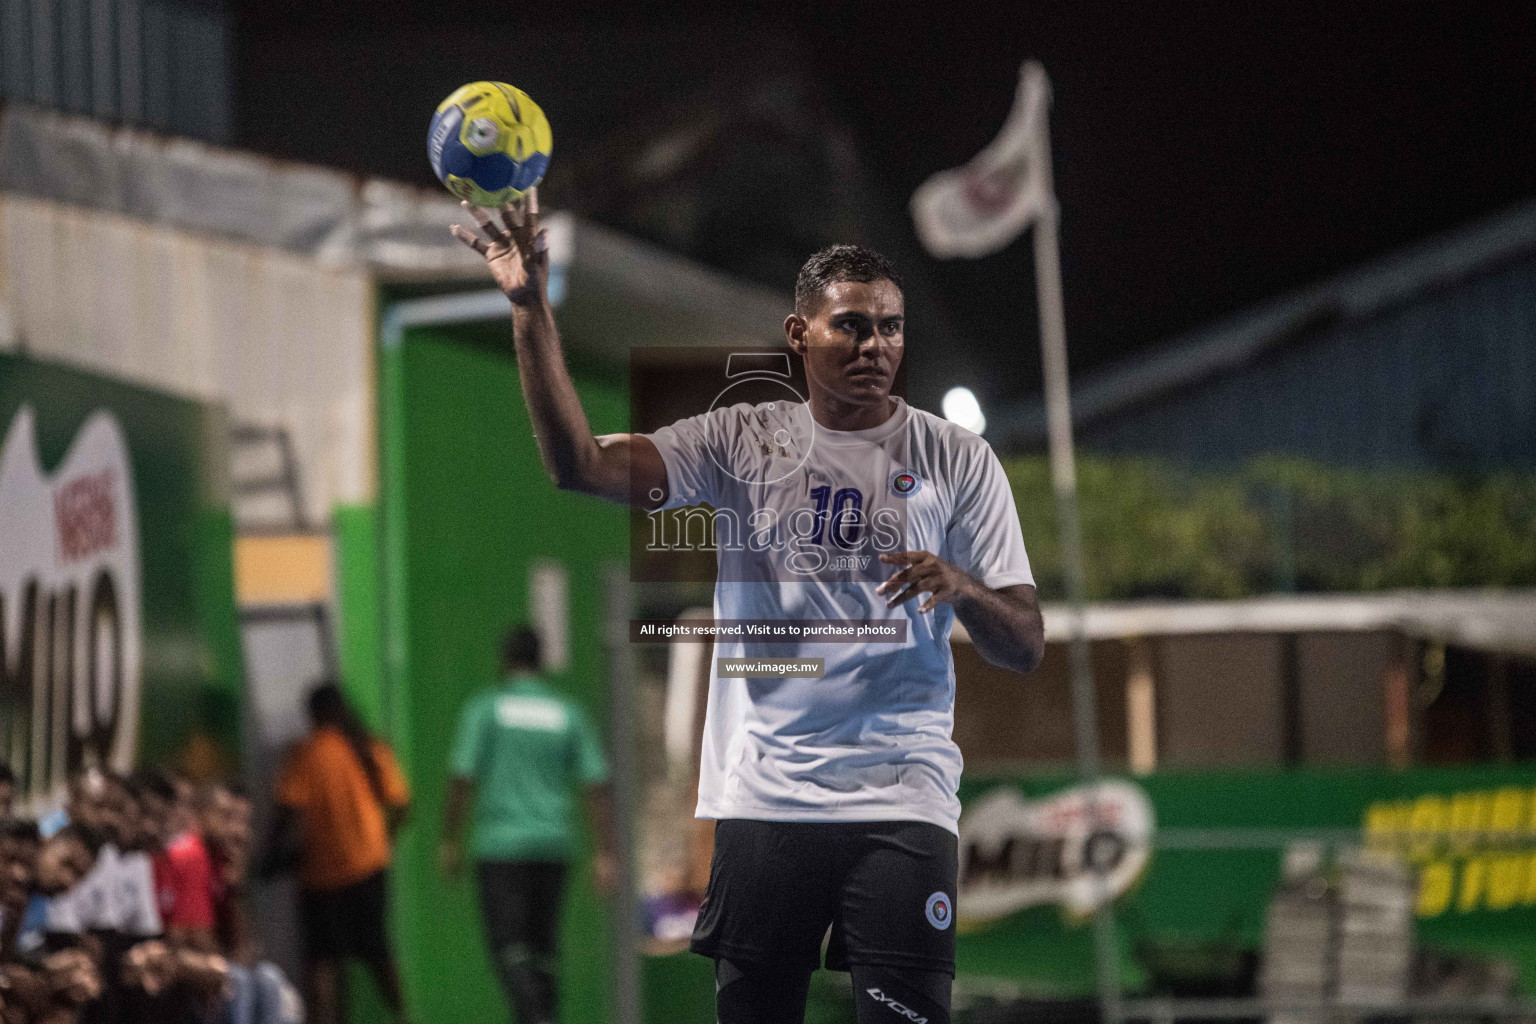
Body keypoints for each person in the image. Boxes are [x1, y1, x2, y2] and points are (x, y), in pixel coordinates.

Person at [453, 195, 1045, 1024]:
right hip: (767, 801)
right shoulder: (742, 441)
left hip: (902, 799)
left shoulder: (958, 459)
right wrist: (528, 309)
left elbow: (1024, 643)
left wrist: (965, 586)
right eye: (851, 326)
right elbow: (578, 465)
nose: (876, 346)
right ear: (800, 335)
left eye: (891, 328)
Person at [439, 625, 616, 1024]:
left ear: (505, 661)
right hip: (554, 846)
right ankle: (542, 1015)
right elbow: (597, 785)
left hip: (501, 847)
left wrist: (449, 839)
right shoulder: (566, 712)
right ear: (541, 661)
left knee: (508, 947)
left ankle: (539, 1019)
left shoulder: (486, 709)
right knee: (543, 948)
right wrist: (605, 852)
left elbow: (461, 780)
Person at [272, 683, 411, 1024]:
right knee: (378, 954)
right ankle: (405, 1016)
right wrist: (384, 840)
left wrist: (272, 853)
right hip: (369, 867)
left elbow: (287, 810)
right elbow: (402, 804)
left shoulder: (307, 754)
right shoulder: (368, 749)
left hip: (320, 876)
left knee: (322, 963)